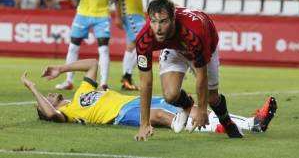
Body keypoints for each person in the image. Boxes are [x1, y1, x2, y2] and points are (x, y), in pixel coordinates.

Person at [134, 0, 278, 141]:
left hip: (206, 45)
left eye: (163, 21)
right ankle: (187, 105)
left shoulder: (193, 33)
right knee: (170, 95)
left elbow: (201, 75)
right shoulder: (144, 39)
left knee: (212, 97)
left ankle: (227, 122)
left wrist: (202, 110)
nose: (158, 28)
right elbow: (145, 83)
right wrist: (144, 124)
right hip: (173, 49)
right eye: (153, 21)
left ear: (173, 19)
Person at [21, 59, 277, 134]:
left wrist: (61, 69)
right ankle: (246, 127)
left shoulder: (82, 92)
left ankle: (251, 123)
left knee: (193, 108)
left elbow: (92, 64)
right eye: (46, 97)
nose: (50, 93)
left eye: (46, 93)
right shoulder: (66, 113)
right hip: (120, 115)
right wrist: (33, 89)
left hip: (134, 101)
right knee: (163, 117)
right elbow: (50, 114)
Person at [56, 0, 125, 91]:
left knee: (104, 49)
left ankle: (104, 83)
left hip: (102, 15)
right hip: (83, 13)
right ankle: (68, 80)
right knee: (73, 46)